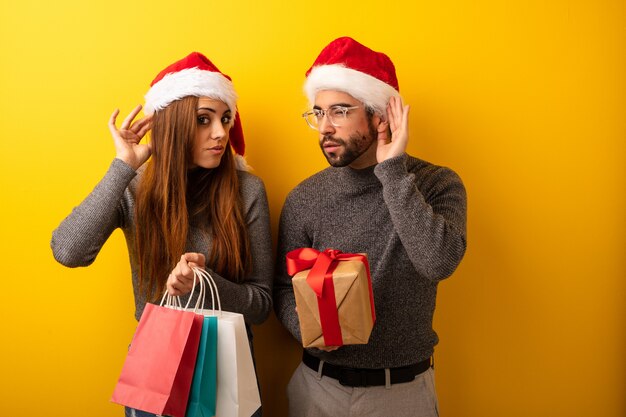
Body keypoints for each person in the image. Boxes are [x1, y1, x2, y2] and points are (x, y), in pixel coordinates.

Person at [51, 52, 272, 417]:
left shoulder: (247, 190)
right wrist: (123, 167)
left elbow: (262, 304)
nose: (220, 133)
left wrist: (205, 283)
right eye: (204, 120)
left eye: (225, 119)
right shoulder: (135, 187)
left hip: (228, 366)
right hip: (155, 364)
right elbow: (68, 250)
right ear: (173, 123)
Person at [273, 37, 467, 417]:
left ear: (380, 116)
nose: (324, 127)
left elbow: (439, 262)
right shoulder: (304, 198)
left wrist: (392, 172)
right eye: (318, 113)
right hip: (318, 388)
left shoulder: (436, 184)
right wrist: (308, 328)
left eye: (340, 112)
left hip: (402, 393)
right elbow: (282, 289)